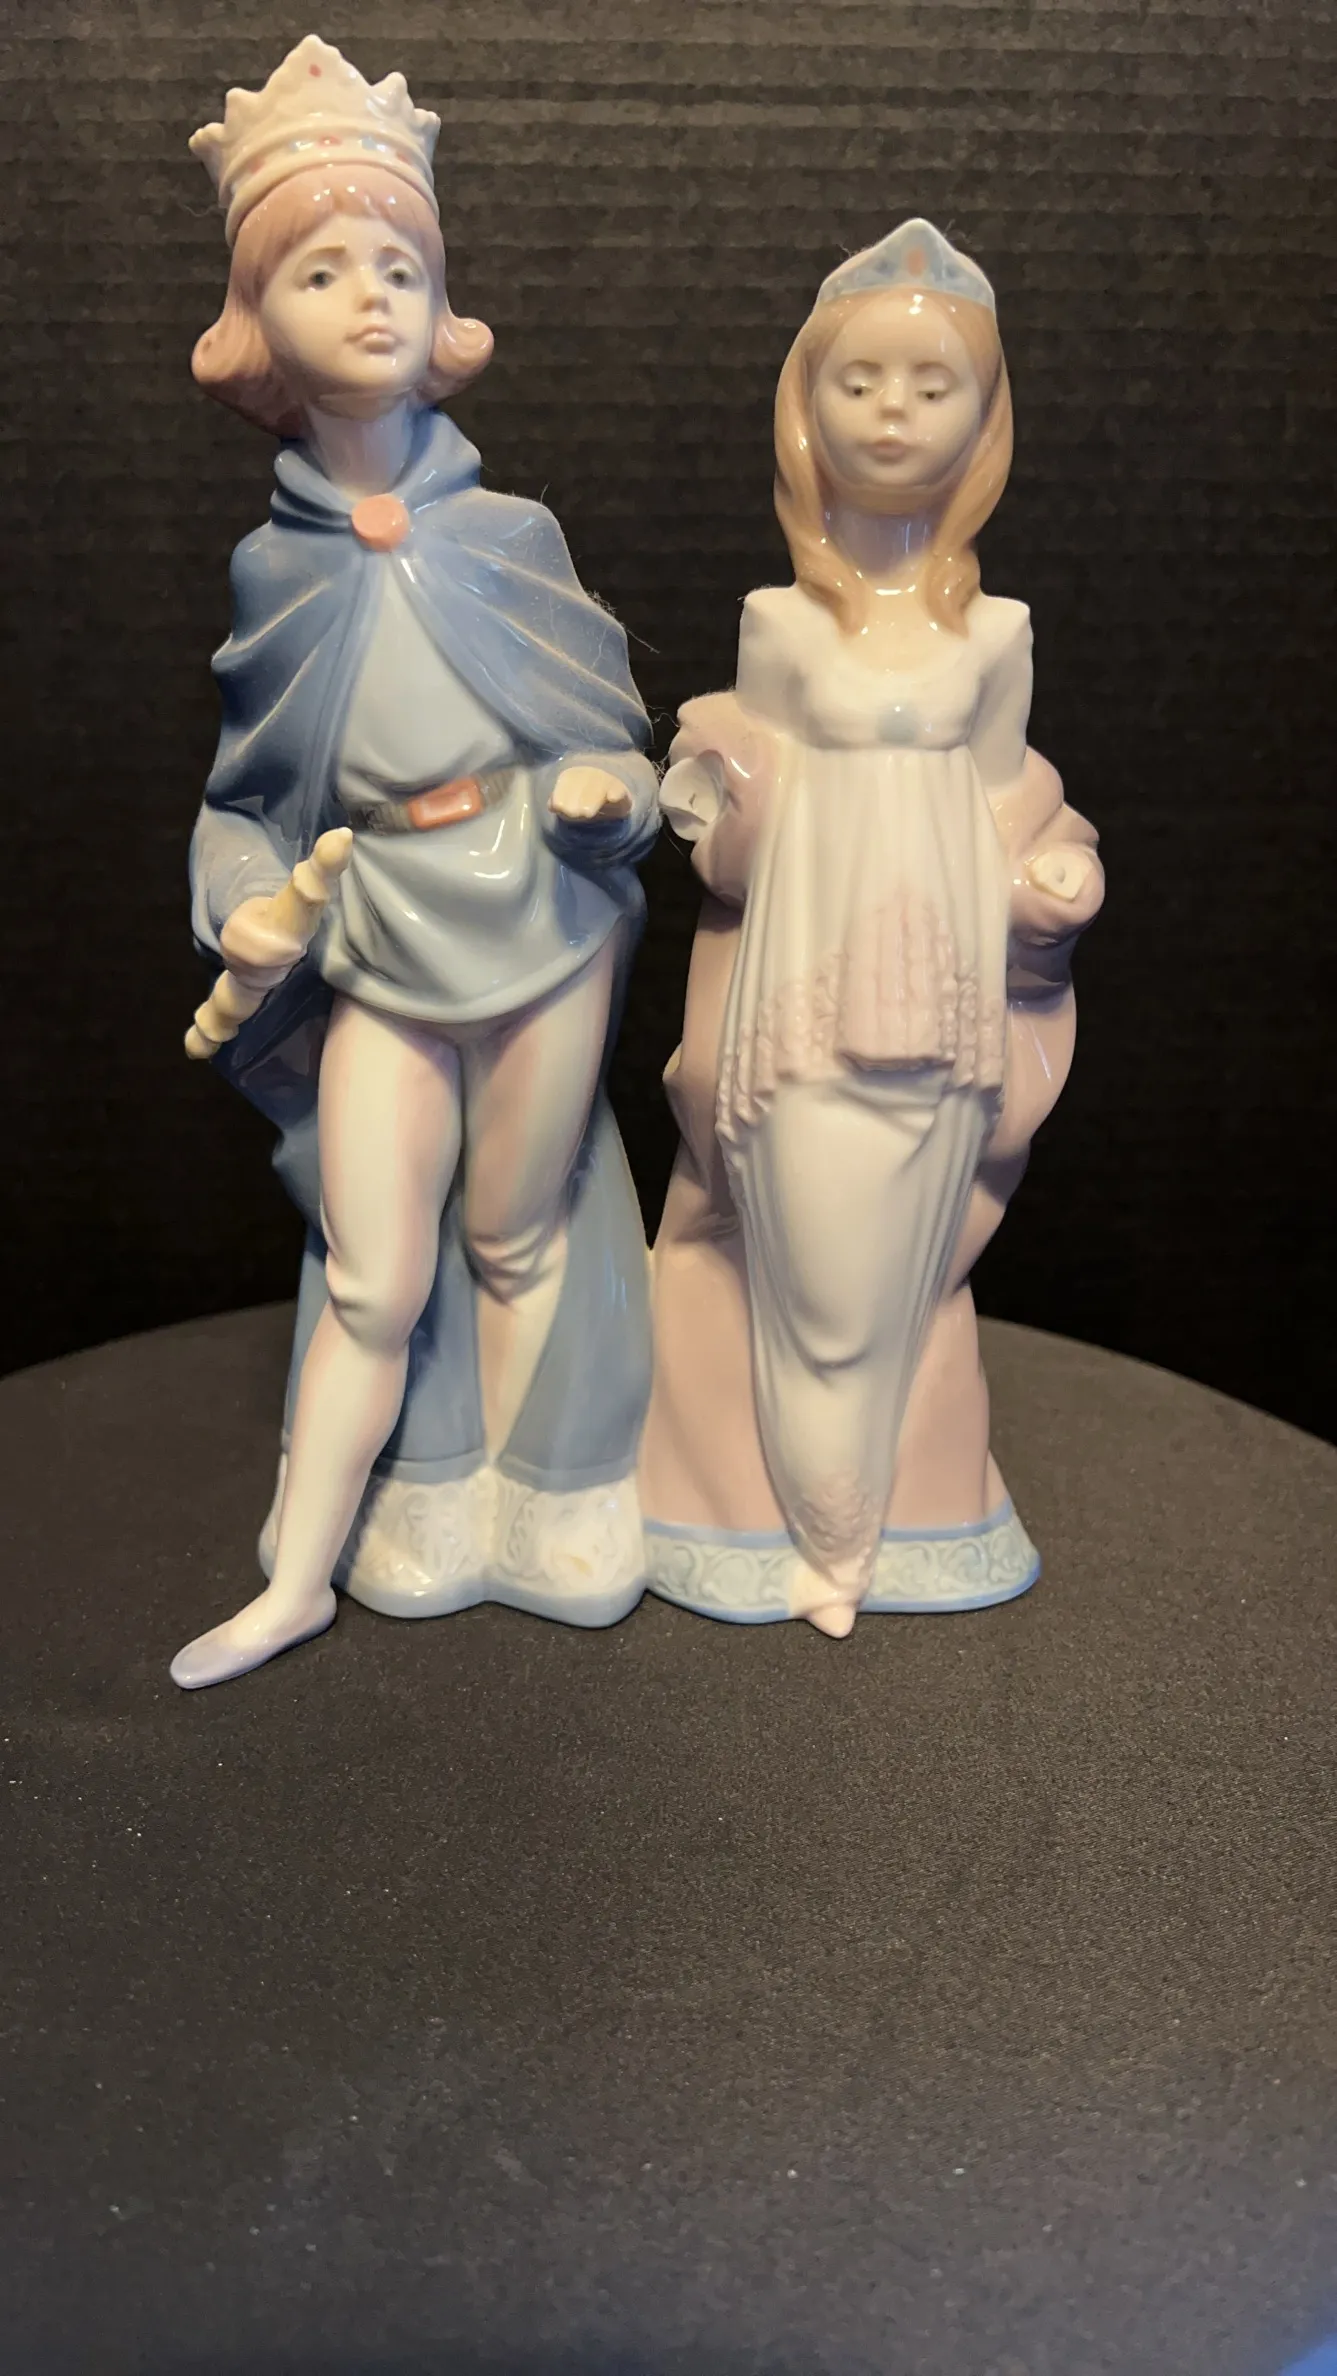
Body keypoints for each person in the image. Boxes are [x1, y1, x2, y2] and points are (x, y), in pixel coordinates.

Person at [172, 38, 658, 1689]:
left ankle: (545, 1491)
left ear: (442, 298)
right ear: (257, 316)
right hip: (378, 929)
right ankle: (304, 1573)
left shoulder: (509, 536)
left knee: (520, 1225)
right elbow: (243, 797)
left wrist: (604, 794)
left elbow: (616, 742)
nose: (370, 298)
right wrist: (240, 902)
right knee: (374, 1266)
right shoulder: (274, 572)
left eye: (399, 265)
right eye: (321, 269)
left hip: (540, 914)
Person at [639, 219, 1104, 1635]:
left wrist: (1052, 884)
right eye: (860, 380)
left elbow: (1014, 811)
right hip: (807, 1004)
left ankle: (874, 1530)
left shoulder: (996, 637)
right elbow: (730, 843)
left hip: (943, 1014)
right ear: (807, 408)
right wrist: (725, 811)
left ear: (983, 420)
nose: (893, 410)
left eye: (930, 383)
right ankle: (803, 1522)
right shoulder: (781, 627)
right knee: (815, 1279)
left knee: (901, 1277)